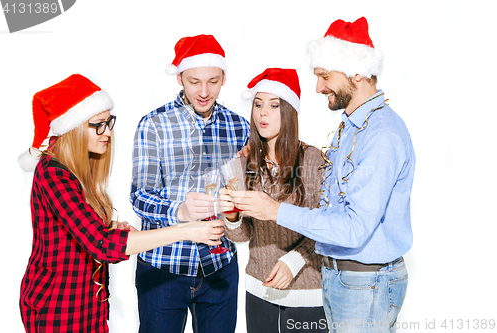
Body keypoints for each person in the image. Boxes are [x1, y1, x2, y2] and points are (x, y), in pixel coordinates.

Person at [230, 17, 415, 332]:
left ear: (356, 71)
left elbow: (353, 228)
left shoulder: (381, 135)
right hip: (344, 278)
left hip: (363, 281)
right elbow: (331, 208)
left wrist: (274, 210)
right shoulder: (353, 127)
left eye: (325, 76)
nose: (317, 88)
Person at [17, 74, 225, 333]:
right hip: (58, 308)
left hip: (88, 306)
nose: (108, 132)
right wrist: (187, 231)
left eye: (109, 122)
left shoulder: (77, 167)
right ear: (73, 128)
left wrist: (113, 226)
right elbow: (100, 244)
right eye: (98, 125)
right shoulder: (53, 173)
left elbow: (77, 225)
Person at [130, 34, 250, 333]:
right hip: (163, 268)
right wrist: (179, 211)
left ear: (224, 78)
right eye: (194, 81)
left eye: (212, 81)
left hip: (219, 269)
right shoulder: (154, 124)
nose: (204, 91)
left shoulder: (239, 126)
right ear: (180, 78)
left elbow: (245, 193)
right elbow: (139, 196)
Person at [220, 68, 328, 332]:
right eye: (257, 104)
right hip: (259, 289)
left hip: (306, 291)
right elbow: (243, 236)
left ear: (289, 111)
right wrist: (231, 217)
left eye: (273, 105)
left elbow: (328, 225)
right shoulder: (246, 161)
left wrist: (294, 261)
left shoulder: (312, 159)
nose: (262, 113)